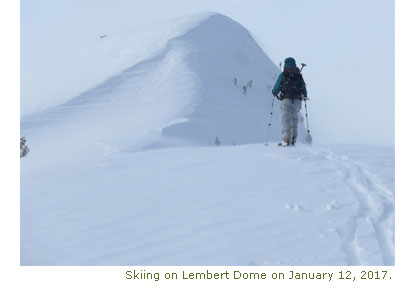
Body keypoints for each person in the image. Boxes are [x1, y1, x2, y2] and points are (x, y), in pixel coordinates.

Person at [272, 57, 308, 146]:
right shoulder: (298, 75)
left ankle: (285, 140)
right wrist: (305, 95)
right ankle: (293, 139)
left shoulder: (283, 74)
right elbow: (303, 86)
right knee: (294, 119)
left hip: (286, 99)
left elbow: (277, 87)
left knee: (286, 120)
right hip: (297, 100)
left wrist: (274, 92)